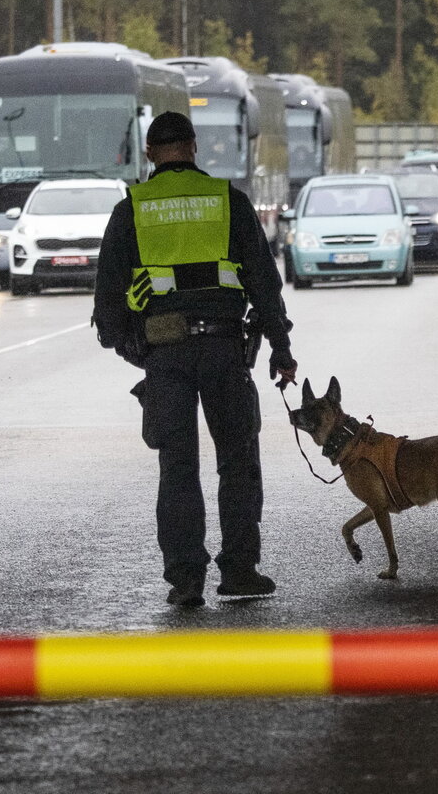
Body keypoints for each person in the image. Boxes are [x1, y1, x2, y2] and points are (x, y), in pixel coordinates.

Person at [92, 112, 298, 609]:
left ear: (149, 153)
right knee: (238, 462)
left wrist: (134, 348)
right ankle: (241, 571)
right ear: (194, 147)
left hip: (166, 357)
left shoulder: (132, 210)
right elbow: (264, 284)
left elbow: (108, 304)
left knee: (178, 468)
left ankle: (186, 581)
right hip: (227, 352)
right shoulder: (228, 202)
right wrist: (280, 348)